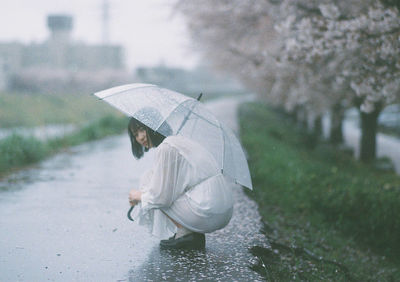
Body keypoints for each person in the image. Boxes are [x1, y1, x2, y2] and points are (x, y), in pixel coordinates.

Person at [127, 117, 234, 250]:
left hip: (207, 211)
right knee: (152, 177)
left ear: (155, 125)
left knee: (152, 187)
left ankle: (186, 234)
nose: (140, 137)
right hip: (222, 209)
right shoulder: (179, 141)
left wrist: (138, 196)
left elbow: (161, 198)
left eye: (142, 129)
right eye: (135, 134)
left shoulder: (167, 147)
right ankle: (188, 233)